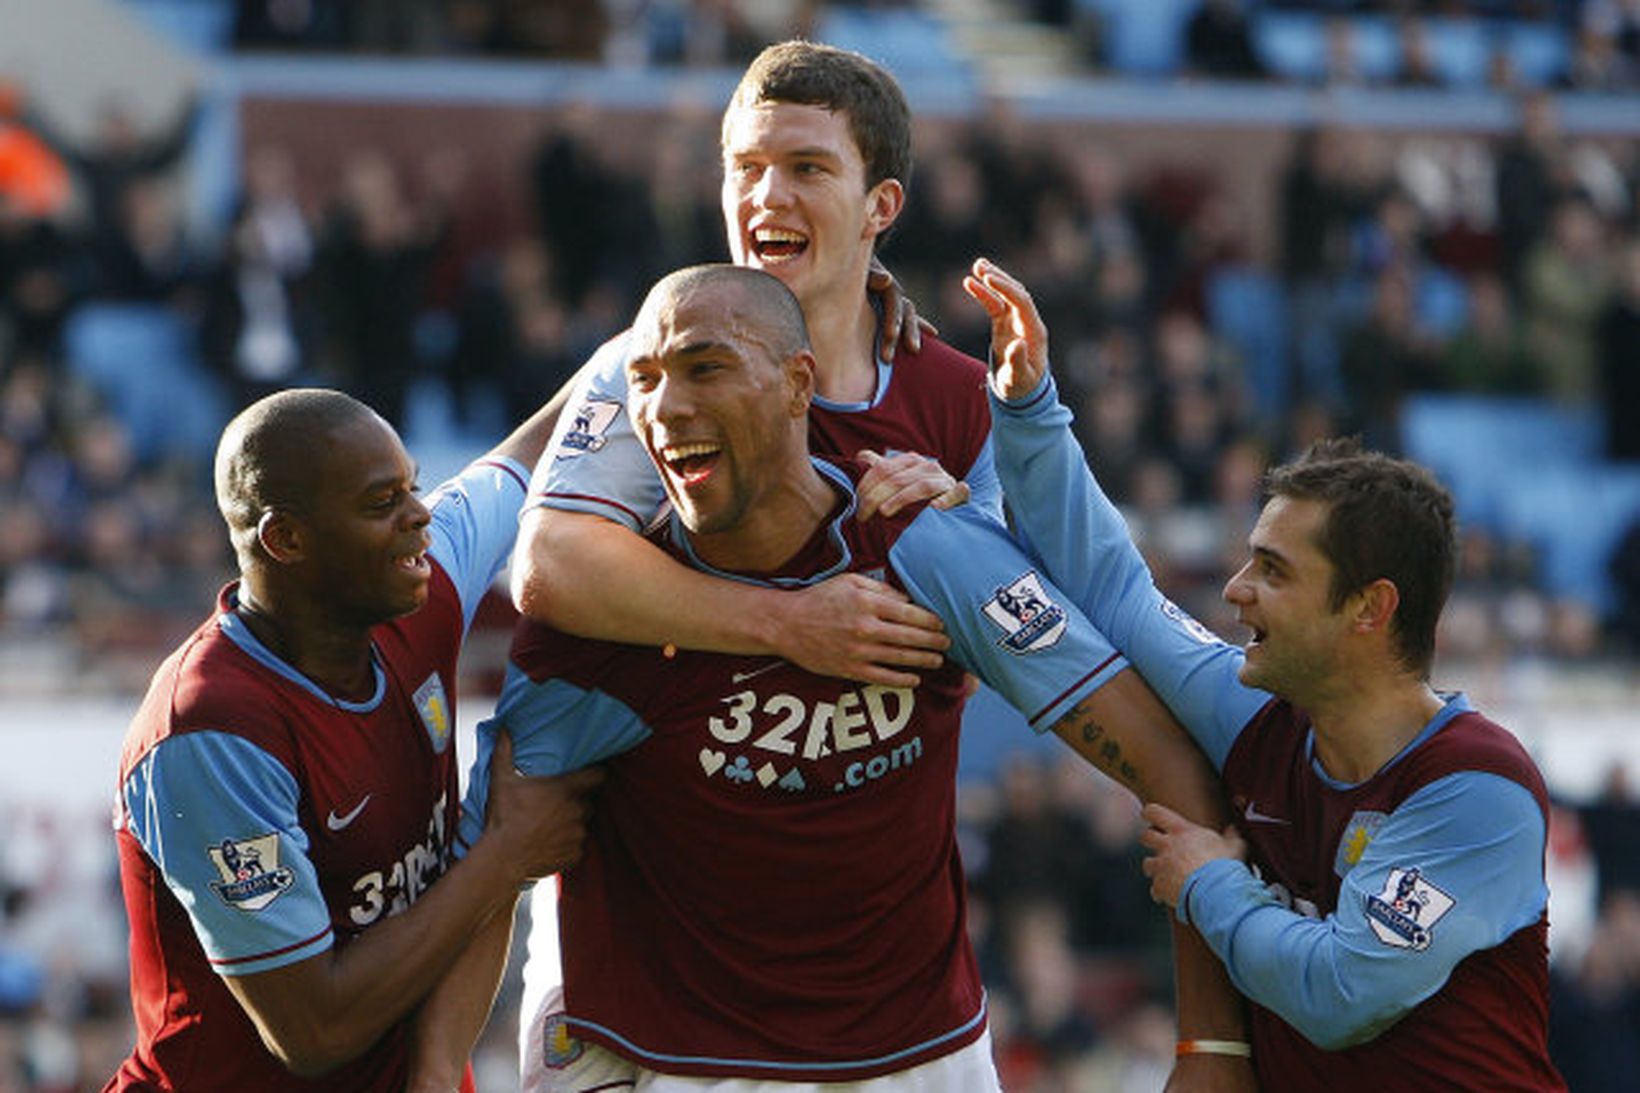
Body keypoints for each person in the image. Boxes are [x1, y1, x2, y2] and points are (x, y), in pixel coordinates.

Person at [512, 40, 1249, 1089]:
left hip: (896, 1008)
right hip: (660, 993)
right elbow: (549, 568)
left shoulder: (950, 398)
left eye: (806, 169)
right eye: (745, 168)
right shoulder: (659, 365)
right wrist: (792, 622)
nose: (764, 194)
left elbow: (1050, 608)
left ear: (880, 205)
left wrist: (969, 530)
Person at [966, 258, 1568, 1090]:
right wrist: (1029, 406)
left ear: (1369, 607)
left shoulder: (1478, 790)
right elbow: (1114, 587)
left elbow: (1342, 992)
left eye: (1274, 572)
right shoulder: (1258, 717)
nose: (1236, 589)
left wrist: (1209, 882)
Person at [106, 387, 603, 1091]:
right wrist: (507, 856)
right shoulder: (210, 729)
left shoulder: (422, 590)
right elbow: (314, 1031)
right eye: (381, 504)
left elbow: (534, 449)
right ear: (286, 539)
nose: (419, 516)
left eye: (414, 488)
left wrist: (647, 339)